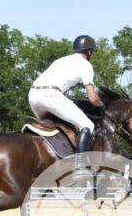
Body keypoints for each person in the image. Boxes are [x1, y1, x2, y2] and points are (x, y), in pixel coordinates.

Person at [28, 35, 104, 175]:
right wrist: (101, 105)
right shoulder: (85, 65)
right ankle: (80, 166)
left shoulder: (61, 60)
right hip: (50, 95)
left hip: (33, 95)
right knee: (87, 125)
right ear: (89, 52)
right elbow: (92, 98)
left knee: (52, 126)